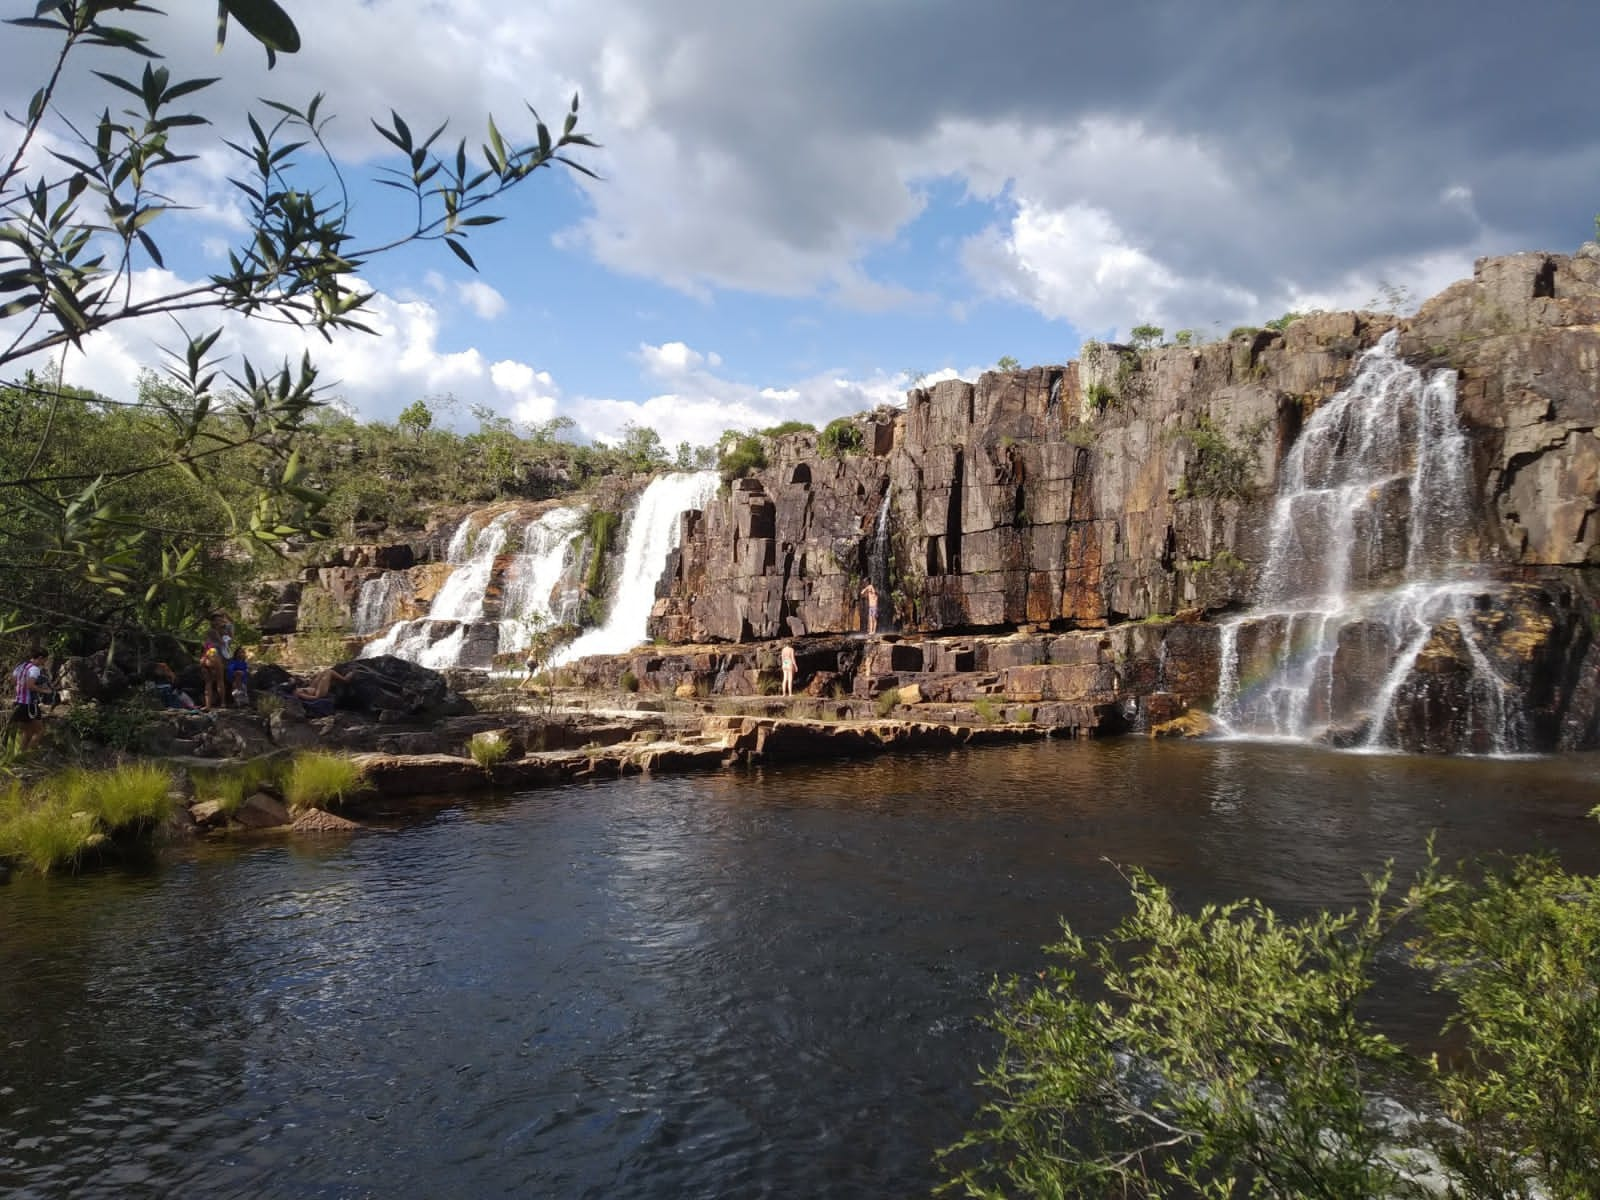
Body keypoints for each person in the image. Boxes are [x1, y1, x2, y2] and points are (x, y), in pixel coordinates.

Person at [9, 647, 53, 750]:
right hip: (29, 705)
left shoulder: (20, 666)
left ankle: (21, 756)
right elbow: (30, 685)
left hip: (19, 702)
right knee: (40, 731)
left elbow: (13, 681)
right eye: (45, 660)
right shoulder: (34, 669)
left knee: (27, 731)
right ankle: (28, 756)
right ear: (40, 658)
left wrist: (21, 688)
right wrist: (45, 691)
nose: (45, 662)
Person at [200, 612, 232, 709]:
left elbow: (230, 634)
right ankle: (221, 703)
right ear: (213, 622)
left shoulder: (216, 632)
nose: (219, 622)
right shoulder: (213, 632)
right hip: (212, 654)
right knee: (216, 680)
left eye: (220, 620)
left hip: (208, 655)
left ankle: (210, 705)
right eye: (217, 620)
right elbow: (222, 642)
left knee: (212, 681)